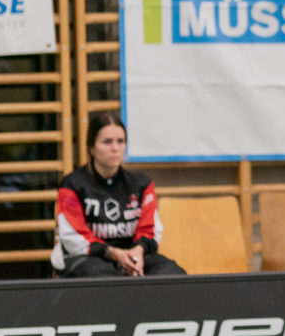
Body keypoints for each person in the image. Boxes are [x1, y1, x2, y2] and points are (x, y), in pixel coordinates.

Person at [51, 112, 186, 278]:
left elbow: (150, 230)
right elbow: (73, 238)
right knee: (105, 279)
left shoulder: (142, 183)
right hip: (88, 257)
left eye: (120, 141)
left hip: (132, 255)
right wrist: (115, 254)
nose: (115, 148)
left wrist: (137, 252)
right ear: (92, 147)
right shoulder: (72, 185)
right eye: (107, 142)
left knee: (173, 273)